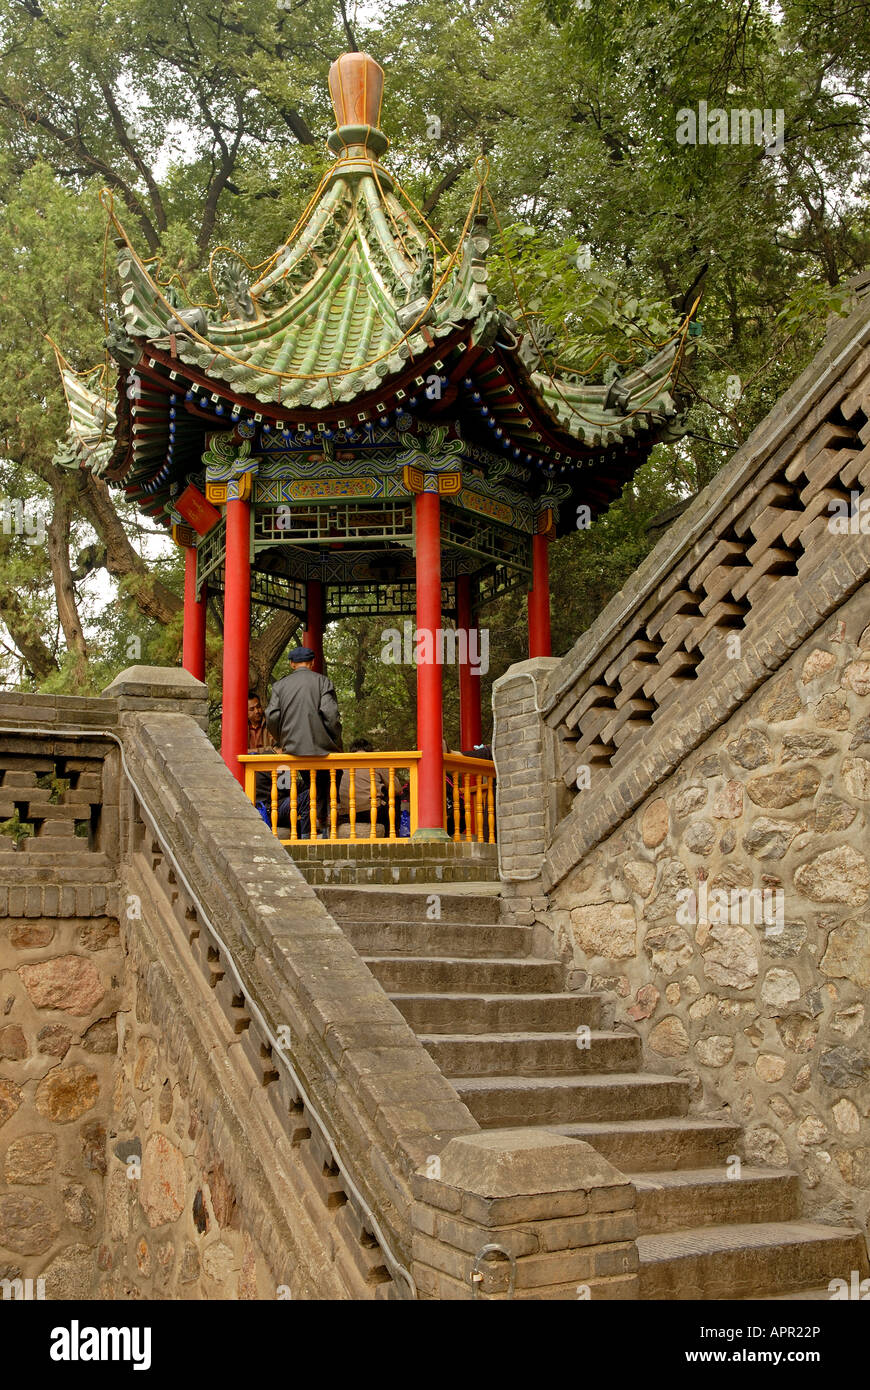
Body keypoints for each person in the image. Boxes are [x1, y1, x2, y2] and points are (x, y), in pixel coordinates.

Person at [265, 646, 342, 836]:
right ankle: (322, 825)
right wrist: (335, 740)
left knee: (312, 784)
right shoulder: (323, 682)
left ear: (292, 664)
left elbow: (272, 717)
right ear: (312, 663)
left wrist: (282, 739)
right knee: (330, 779)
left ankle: (313, 828)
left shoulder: (279, 686)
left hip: (293, 747)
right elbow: (331, 717)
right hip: (321, 746)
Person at [338, 738, 389, 835]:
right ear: (370, 750)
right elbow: (397, 789)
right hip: (370, 812)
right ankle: (392, 836)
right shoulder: (376, 761)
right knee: (393, 799)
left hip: (344, 813)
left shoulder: (341, 764)